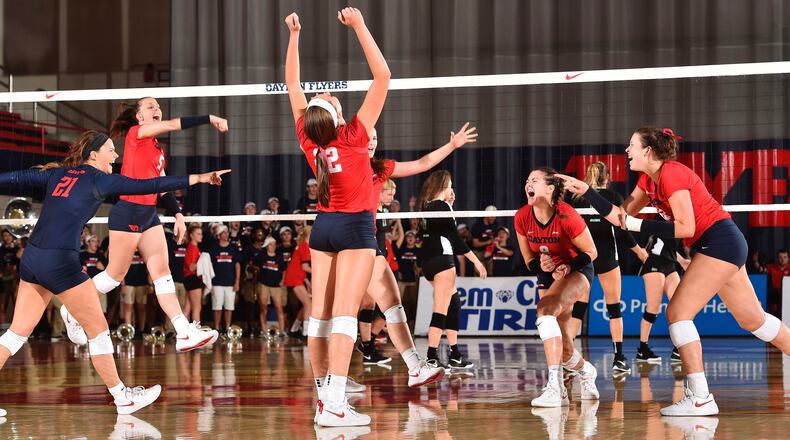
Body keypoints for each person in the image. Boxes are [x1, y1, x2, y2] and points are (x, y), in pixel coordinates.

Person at [559, 126, 790, 416]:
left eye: (632, 145)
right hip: (721, 244)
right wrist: (588, 192)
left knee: (678, 313)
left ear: (648, 151)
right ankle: (701, 396)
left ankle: (701, 397)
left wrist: (637, 225)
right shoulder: (647, 180)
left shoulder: (672, 174)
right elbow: (621, 217)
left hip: (720, 241)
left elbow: (685, 228)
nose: (627, 150)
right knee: (754, 321)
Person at [0, 130, 227, 416]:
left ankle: (114, 381)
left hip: (32, 258)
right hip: (60, 263)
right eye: (110, 150)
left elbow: (17, 178)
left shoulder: (58, 174)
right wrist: (199, 178)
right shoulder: (100, 179)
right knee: (99, 334)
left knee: (15, 336)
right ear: (93, 155)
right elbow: (151, 185)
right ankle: (123, 397)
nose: (116, 155)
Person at [286, 7, 389, 427]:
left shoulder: (308, 138)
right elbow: (382, 76)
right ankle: (333, 405)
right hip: (354, 226)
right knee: (345, 315)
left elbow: (292, 83)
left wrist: (294, 36)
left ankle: (323, 397)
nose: (329, 93)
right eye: (329, 98)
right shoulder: (354, 136)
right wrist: (360, 26)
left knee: (321, 317)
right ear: (336, 116)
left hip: (323, 228)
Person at [61, 97, 226, 352]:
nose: (156, 109)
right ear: (139, 117)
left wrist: (178, 215)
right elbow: (172, 125)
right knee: (114, 276)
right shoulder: (137, 134)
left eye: (158, 106)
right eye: (150, 107)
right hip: (127, 212)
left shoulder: (157, 150)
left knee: (163, 275)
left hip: (149, 215)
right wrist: (208, 118)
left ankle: (183, 331)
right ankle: (71, 308)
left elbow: (162, 186)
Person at [514, 167, 600, 407]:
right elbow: (529, 261)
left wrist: (567, 267)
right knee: (561, 344)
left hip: (577, 271)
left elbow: (591, 252)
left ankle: (555, 386)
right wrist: (541, 264)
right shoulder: (522, 217)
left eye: (535, 180)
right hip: (548, 275)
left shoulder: (566, 214)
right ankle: (585, 371)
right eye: (527, 180)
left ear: (550, 189)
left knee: (544, 311)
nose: (528, 183)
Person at [568, 161, 648, 373]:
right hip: (606, 257)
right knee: (614, 308)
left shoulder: (576, 199)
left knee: (578, 309)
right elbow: (622, 229)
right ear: (608, 177)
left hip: (584, 257)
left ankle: (567, 359)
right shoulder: (613, 198)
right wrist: (639, 251)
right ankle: (618, 358)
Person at [418, 170, 487, 370]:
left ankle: (455, 354)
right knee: (440, 307)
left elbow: (438, 231)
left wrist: (450, 209)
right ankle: (432, 356)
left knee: (453, 304)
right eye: (450, 186)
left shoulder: (427, 207)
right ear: (443, 187)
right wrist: (477, 261)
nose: (452, 190)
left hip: (428, 261)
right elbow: (455, 240)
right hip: (442, 260)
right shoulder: (441, 206)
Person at [637, 231, 690, 363]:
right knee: (653, 308)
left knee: (679, 308)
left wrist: (682, 261)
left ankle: (678, 349)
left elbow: (668, 247)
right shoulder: (665, 220)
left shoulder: (682, 223)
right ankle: (643, 349)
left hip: (670, 264)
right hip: (654, 263)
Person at [208, 225, 241, 333]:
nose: (226, 234)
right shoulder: (213, 249)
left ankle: (227, 328)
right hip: (216, 282)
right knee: (217, 307)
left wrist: (237, 281)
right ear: (218, 235)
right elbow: (209, 266)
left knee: (229, 307)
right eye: (224, 232)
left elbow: (237, 265)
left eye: (227, 232)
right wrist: (210, 283)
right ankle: (217, 328)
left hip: (230, 283)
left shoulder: (233, 248)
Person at [253, 236, 288, 337]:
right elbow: (254, 265)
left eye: (274, 244)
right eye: (271, 244)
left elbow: (284, 270)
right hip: (264, 284)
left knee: (279, 307)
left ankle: (282, 331)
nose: (273, 246)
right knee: (263, 308)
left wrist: (282, 280)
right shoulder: (261, 256)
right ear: (267, 246)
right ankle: (263, 331)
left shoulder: (279, 257)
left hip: (276, 286)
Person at [283, 226, 312, 338]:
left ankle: (294, 329)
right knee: (308, 304)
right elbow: (305, 267)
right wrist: (319, 271)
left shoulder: (303, 246)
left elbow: (300, 268)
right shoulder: (304, 246)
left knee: (307, 304)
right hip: (294, 278)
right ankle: (305, 332)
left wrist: (308, 283)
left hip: (297, 277)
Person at [122, 250, 150, 336]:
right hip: (128, 283)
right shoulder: (127, 250)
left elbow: (149, 267)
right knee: (128, 307)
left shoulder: (144, 251)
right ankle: (128, 331)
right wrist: (123, 284)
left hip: (142, 282)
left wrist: (150, 284)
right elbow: (122, 267)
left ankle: (141, 330)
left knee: (142, 307)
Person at [80, 235, 109, 314]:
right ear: (88, 243)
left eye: (97, 241)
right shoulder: (82, 256)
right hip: (87, 287)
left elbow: (108, 270)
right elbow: (82, 270)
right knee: (88, 311)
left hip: (100, 287)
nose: (96, 243)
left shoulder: (100, 256)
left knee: (101, 311)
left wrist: (103, 269)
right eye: (93, 241)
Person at [470, 206, 499, 273]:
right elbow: (475, 244)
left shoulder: (495, 225)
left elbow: (496, 239)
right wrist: (489, 242)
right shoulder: (477, 226)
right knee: (480, 272)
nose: (493, 218)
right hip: (479, 252)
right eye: (492, 216)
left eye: (495, 216)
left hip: (491, 251)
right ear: (486, 215)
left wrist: (490, 248)